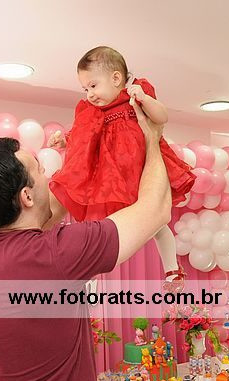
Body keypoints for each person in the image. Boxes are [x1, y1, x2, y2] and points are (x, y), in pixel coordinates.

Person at [0, 100, 171, 381]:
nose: (48, 176)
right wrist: (152, 137)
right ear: (26, 196)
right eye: (41, 170)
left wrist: (84, 150)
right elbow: (157, 209)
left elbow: (52, 207)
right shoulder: (55, 255)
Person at [48, 46, 195, 292]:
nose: (89, 94)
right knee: (102, 227)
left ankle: (172, 270)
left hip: (140, 171)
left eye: (93, 86)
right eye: (85, 89)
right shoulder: (92, 112)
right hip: (112, 178)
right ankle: (89, 277)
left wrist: (145, 99)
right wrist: (65, 140)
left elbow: (161, 117)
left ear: (116, 78)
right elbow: (85, 137)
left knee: (157, 223)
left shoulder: (136, 94)